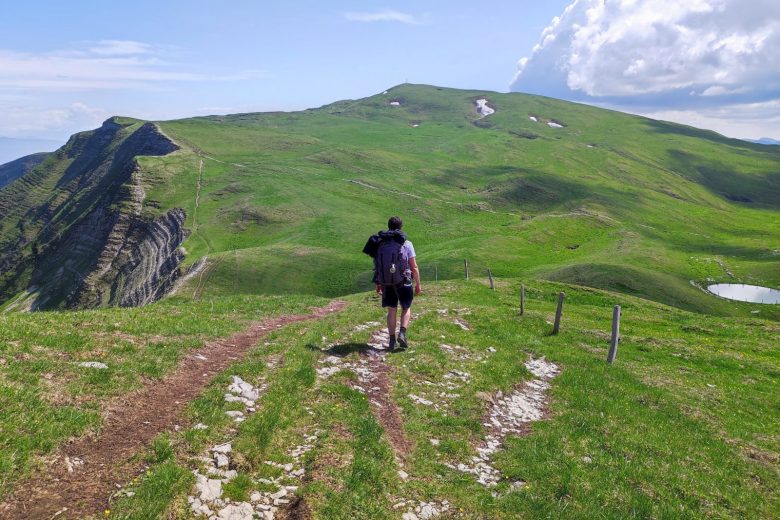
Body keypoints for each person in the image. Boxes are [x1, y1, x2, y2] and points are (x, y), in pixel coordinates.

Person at [362, 216, 421, 350]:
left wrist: (378, 283)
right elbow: (414, 266)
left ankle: (392, 341)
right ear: (401, 227)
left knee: (391, 310)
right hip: (404, 281)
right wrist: (418, 284)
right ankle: (402, 333)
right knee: (406, 308)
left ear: (388, 227)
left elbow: (378, 265)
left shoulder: (380, 243)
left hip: (386, 282)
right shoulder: (406, 243)